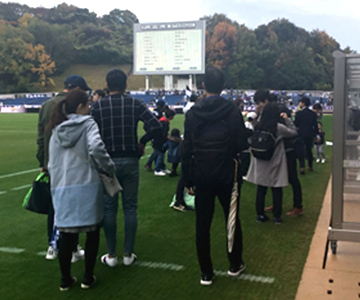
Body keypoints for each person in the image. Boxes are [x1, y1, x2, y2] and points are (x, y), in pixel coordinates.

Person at [182, 66, 248, 286]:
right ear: (222, 87)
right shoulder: (232, 111)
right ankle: (234, 263)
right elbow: (241, 144)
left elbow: (186, 149)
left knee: (203, 223)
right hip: (227, 173)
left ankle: (206, 272)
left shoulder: (192, 113)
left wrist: (187, 180)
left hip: (201, 173)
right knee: (231, 219)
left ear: (203, 86)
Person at [90, 68, 162, 267]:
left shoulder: (97, 107)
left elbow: (89, 134)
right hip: (130, 160)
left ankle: (112, 255)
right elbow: (156, 126)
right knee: (130, 208)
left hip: (106, 163)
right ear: (125, 86)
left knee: (109, 209)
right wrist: (142, 141)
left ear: (106, 85)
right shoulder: (134, 103)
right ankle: (128, 254)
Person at [47, 90, 115, 291]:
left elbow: (52, 162)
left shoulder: (56, 128)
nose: (90, 107)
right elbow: (96, 147)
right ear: (80, 107)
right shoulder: (88, 123)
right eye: (87, 104)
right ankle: (87, 277)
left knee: (66, 234)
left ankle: (65, 279)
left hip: (62, 186)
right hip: (87, 184)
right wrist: (108, 167)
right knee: (92, 232)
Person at [36, 74, 91, 261]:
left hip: (51, 164)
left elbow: (41, 138)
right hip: (71, 165)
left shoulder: (46, 106)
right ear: (77, 89)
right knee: (71, 207)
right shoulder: (74, 105)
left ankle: (52, 246)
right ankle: (72, 247)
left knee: (55, 206)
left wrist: (42, 163)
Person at [247, 102, 298, 224]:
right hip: (275, 159)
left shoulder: (258, 125)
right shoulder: (278, 127)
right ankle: (277, 217)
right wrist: (288, 119)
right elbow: (293, 132)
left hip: (260, 160)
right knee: (276, 188)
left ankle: (260, 215)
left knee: (261, 189)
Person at [294, 97, 319, 174]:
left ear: (303, 103)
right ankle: (310, 166)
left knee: (301, 150)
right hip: (309, 134)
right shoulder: (313, 114)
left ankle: (302, 167)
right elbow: (315, 125)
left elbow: (295, 124)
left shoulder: (299, 113)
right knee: (309, 150)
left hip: (301, 133)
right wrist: (317, 134)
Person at [144, 99, 167, 171]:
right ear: (161, 107)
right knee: (158, 149)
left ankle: (160, 165)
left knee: (158, 149)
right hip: (155, 132)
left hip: (151, 131)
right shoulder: (158, 114)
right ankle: (150, 163)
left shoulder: (153, 111)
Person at [153, 108, 176, 176]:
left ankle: (162, 167)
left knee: (160, 154)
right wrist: (172, 139)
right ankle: (157, 169)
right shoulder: (164, 122)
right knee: (160, 155)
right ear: (171, 116)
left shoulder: (163, 120)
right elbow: (164, 134)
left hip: (158, 139)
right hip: (160, 141)